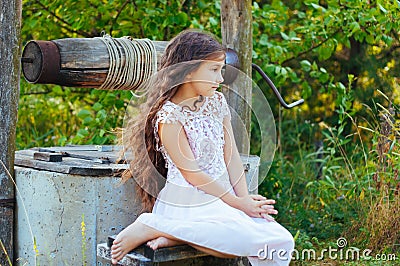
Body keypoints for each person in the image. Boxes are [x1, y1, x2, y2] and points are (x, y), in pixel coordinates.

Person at [111, 30, 295, 265]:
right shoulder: (169, 116)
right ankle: (153, 224)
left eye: (221, 70)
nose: (220, 79)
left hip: (222, 198)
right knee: (237, 238)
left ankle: (173, 235)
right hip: (188, 202)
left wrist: (244, 200)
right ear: (188, 71)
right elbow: (193, 174)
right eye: (214, 70)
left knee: (281, 241)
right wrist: (237, 203)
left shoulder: (217, 103)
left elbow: (231, 158)